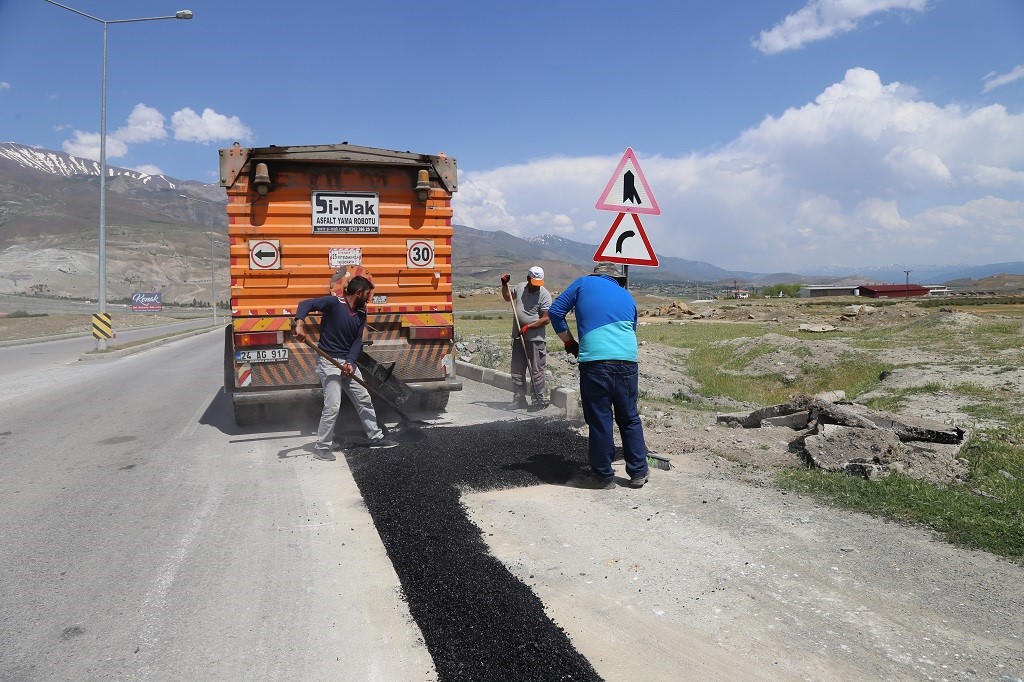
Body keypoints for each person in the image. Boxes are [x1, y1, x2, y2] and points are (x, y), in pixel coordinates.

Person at [547, 261, 650, 489]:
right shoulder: (627, 297)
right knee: (629, 417)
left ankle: (603, 477)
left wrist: (569, 342)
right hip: (627, 362)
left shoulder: (584, 283)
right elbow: (632, 331)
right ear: (616, 279)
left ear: (597, 275)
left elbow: (555, 312)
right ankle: (638, 472)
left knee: (601, 419)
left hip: (595, 362)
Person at [293, 275, 398, 461]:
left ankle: (375, 437)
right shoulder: (334, 303)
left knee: (363, 398)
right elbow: (305, 304)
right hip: (329, 360)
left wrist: (350, 362)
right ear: (358, 293)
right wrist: (300, 324)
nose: (369, 298)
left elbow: (357, 341)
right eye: (367, 294)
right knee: (333, 405)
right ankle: (322, 446)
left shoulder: (361, 313)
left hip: (347, 361)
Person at [501, 265, 552, 410]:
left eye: (539, 283)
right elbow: (507, 297)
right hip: (518, 337)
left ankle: (538, 399)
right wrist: (504, 284)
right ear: (528, 279)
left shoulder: (544, 294)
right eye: (534, 283)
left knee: (536, 370)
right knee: (517, 369)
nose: (537, 287)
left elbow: (545, 319)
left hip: (536, 339)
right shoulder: (520, 287)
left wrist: (528, 327)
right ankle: (519, 398)